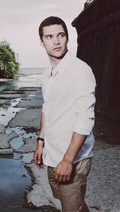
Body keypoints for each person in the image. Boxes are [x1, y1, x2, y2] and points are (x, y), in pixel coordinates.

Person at [33, 16, 96, 212]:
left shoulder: (80, 71)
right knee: (66, 201)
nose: (56, 41)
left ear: (67, 38)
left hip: (73, 158)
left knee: (71, 207)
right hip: (53, 153)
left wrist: (68, 160)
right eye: (49, 37)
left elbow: (85, 119)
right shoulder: (48, 73)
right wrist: (40, 142)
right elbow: (47, 107)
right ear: (42, 42)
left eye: (61, 35)